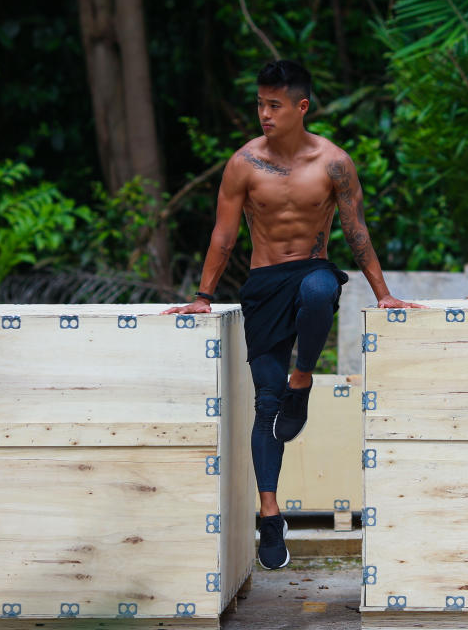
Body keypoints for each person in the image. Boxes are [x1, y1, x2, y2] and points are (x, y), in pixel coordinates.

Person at [164, 59, 421, 570]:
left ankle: (302, 379)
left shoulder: (334, 163)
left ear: (301, 107)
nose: (264, 113)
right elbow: (223, 234)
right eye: (259, 103)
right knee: (266, 406)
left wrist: (383, 293)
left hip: (311, 269)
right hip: (262, 285)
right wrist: (203, 296)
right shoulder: (243, 164)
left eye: (274, 105)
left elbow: (356, 231)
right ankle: (270, 514)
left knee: (322, 288)